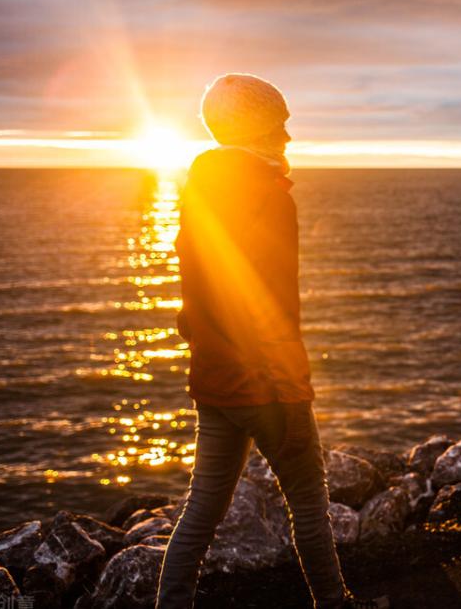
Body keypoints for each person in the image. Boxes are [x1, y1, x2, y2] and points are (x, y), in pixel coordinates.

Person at [156, 73, 388, 609]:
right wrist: (291, 390)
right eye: (278, 125)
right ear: (254, 130)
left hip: (214, 379)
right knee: (307, 502)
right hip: (265, 384)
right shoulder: (269, 196)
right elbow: (274, 307)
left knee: (201, 510)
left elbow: (195, 290)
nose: (287, 137)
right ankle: (334, 603)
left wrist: (202, 338)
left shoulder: (196, 191)